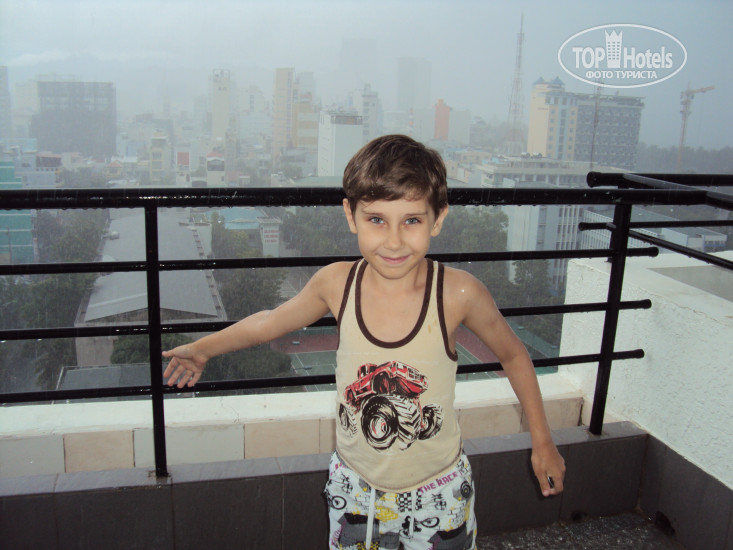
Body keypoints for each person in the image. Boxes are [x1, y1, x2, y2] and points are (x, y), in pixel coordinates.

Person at [163, 134, 566, 549]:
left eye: (412, 221)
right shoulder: (337, 283)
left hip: (440, 493)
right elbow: (270, 322)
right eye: (377, 220)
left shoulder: (458, 293)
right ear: (350, 215)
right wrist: (202, 348)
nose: (394, 241)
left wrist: (542, 442)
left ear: (438, 219)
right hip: (356, 493)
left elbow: (513, 355)